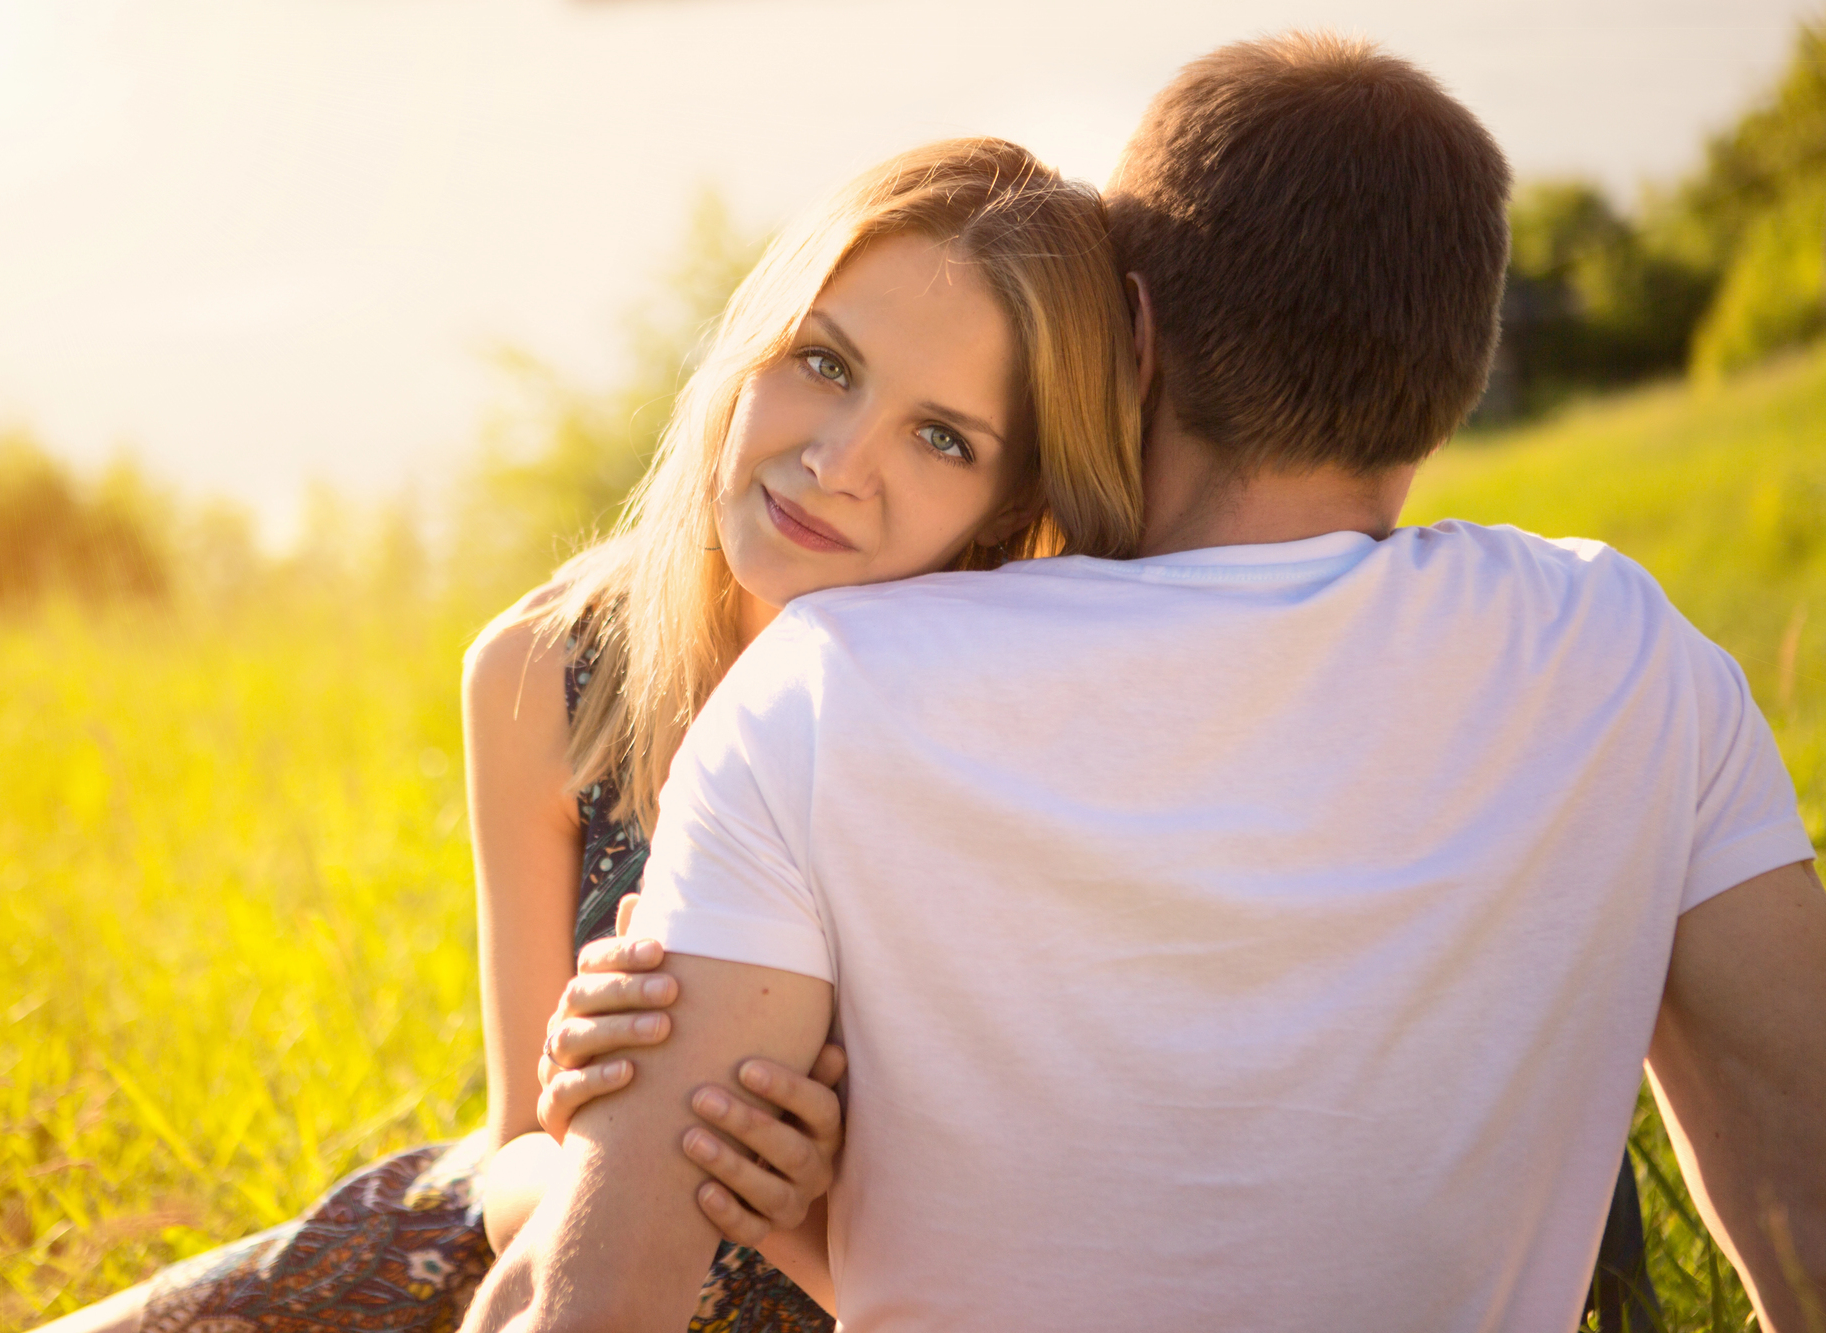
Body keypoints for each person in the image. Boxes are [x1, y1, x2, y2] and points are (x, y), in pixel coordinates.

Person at [468, 32, 1826, 1332]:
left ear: (1128, 338)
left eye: (943, 434)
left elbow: (585, 1303)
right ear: (1454, 382)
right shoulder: (1623, 658)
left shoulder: (834, 689)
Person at [34, 137, 1147, 1333]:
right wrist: (606, 1141)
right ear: (744, 348)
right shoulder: (542, 672)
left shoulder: (997, 754)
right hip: (507, 1246)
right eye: (822, 363)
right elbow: (509, 1145)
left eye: (942, 439)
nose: (836, 462)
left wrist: (768, 1200)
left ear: (1007, 507)